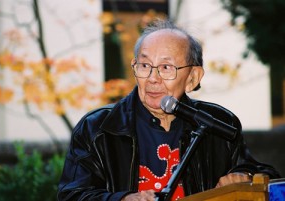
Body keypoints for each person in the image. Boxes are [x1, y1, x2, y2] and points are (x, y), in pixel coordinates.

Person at [57, 19, 280, 201]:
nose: (153, 79)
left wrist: (245, 177)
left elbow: (270, 180)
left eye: (166, 68)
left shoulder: (217, 123)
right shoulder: (97, 128)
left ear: (193, 78)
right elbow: (72, 195)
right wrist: (122, 199)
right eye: (144, 66)